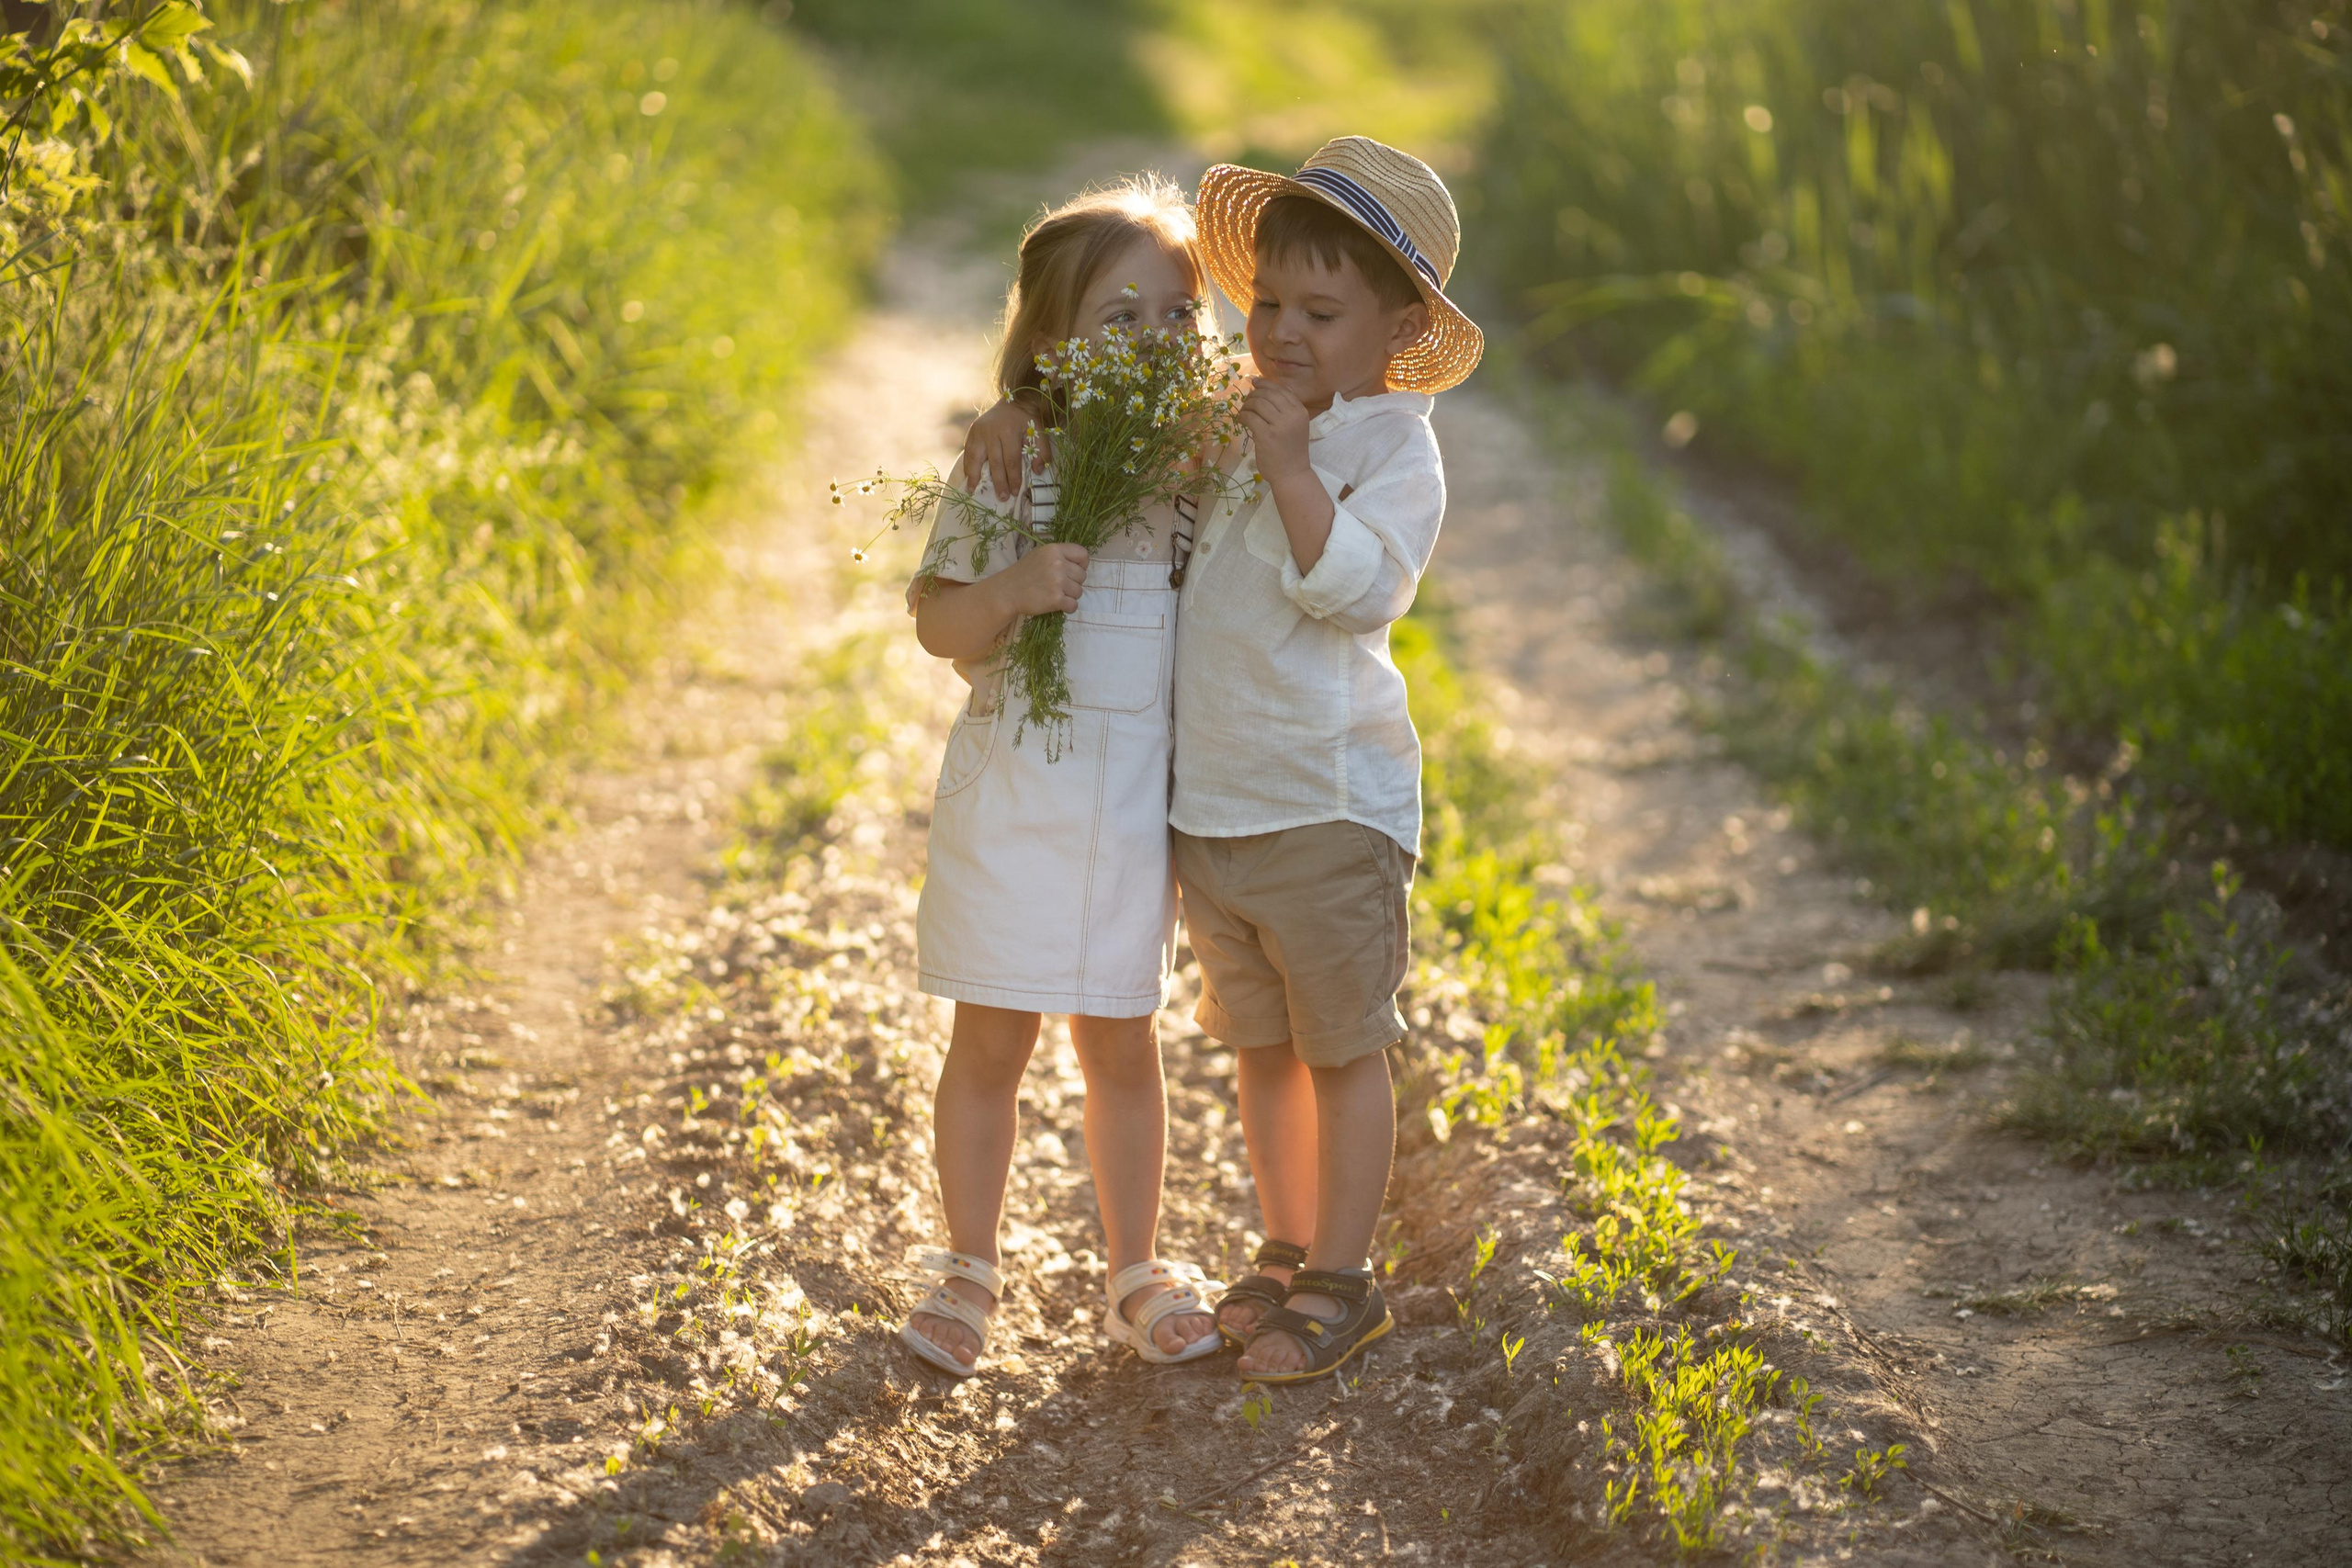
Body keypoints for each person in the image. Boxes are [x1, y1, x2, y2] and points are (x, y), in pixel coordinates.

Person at [962, 137, 1484, 1384]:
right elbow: (1119, 424)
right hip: (1219, 806)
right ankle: (1287, 1245)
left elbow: (1355, 591)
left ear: (1401, 327)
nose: (1284, 333)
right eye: (1269, 305)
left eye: (1322, 313)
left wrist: (1292, 467)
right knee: (1262, 1049)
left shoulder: (1390, 452)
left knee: (1341, 1046)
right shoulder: (1239, 415)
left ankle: (1344, 1279)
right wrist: (1021, 408)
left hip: (1327, 801)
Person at [899, 176, 1225, 1378]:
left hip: (1130, 813)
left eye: (1178, 315)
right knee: (991, 1041)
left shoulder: (1198, 467)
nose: (1154, 338)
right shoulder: (1011, 461)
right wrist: (1016, 586)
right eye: (1118, 317)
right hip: (1016, 798)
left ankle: (1134, 1272)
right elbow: (939, 624)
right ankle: (968, 1267)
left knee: (1123, 1047)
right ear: (1052, 342)